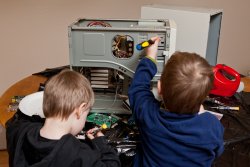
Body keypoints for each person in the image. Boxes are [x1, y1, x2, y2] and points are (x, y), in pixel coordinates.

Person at [128, 37, 224, 167]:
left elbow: (138, 88)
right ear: (205, 97)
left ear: (160, 88)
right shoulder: (211, 125)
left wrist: (150, 57)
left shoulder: (148, 114)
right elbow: (217, 151)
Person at [6, 70, 121, 167]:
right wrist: (101, 145)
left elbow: (17, 119)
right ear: (80, 109)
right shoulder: (80, 155)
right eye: (86, 114)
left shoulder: (19, 132)